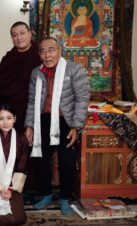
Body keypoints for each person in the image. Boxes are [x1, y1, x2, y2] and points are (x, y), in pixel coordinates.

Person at [24, 37, 90, 214]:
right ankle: (46, 195)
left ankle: (64, 198)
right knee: (40, 160)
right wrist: (29, 125)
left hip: (65, 121)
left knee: (67, 162)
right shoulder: (36, 73)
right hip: (42, 120)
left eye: (51, 50)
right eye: (43, 51)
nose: (47, 55)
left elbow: (82, 99)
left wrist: (76, 127)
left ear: (59, 51)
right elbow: (31, 101)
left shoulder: (74, 70)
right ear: (39, 54)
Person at [0, 21, 41, 133]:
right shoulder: (8, 58)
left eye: (22, 33)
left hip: (32, 110)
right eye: (14, 35)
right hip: (8, 111)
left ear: (30, 34)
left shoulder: (40, 55)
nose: (19, 38)